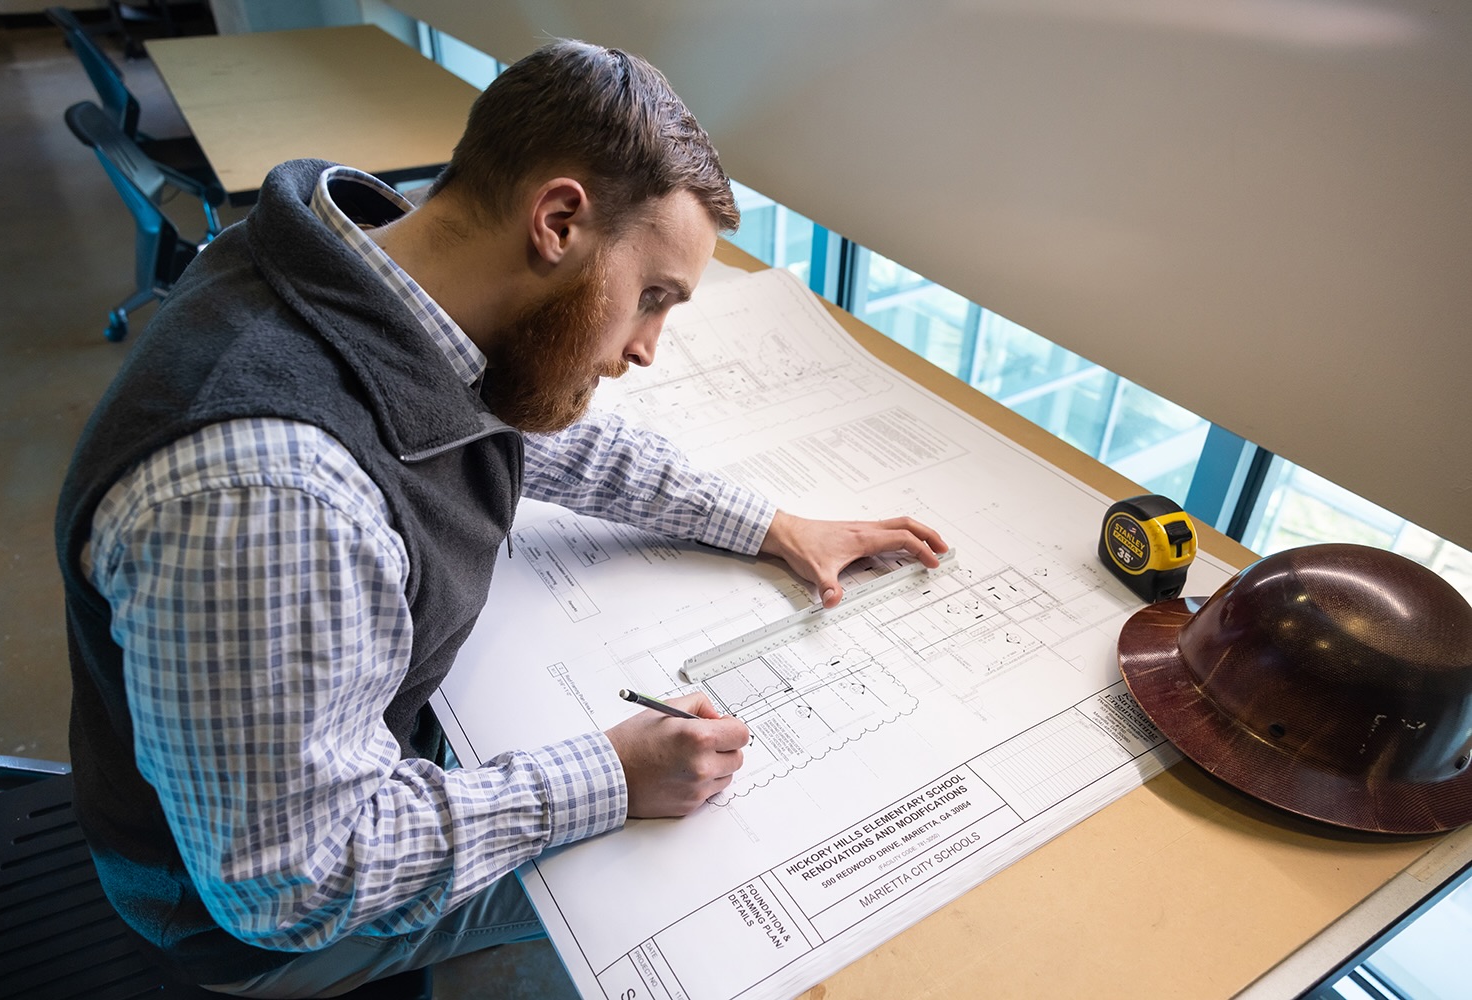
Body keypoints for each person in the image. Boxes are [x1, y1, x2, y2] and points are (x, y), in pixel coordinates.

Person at [54, 39, 946, 997]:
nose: (647, 347)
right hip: (251, 930)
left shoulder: (365, 267)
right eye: (651, 297)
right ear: (558, 220)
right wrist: (612, 777)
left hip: (315, 757)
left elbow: (542, 433)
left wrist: (772, 523)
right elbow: (297, 884)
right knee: (694, 875)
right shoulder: (272, 500)